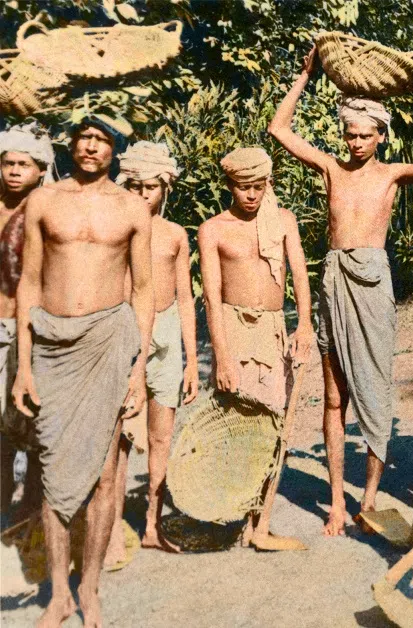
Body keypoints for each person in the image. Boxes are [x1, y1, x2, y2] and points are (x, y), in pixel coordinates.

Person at [268, 46, 413, 536]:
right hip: (334, 280)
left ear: (381, 136)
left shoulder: (390, 174)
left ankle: (368, 498)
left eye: (366, 135)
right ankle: (334, 501)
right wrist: (304, 76)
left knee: (373, 390)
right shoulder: (331, 168)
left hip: (372, 283)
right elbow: (279, 130)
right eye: (350, 134)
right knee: (334, 396)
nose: (356, 143)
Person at [12, 113, 153, 628]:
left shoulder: (132, 207)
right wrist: (23, 366)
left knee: (104, 475)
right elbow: (29, 283)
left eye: (101, 139)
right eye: (83, 137)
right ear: (71, 144)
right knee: (52, 469)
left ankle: (89, 588)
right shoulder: (44, 201)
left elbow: (143, 291)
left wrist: (138, 369)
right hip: (51, 346)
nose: (91, 146)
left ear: (115, 149)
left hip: (108, 345)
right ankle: (58, 596)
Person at [198, 146, 314, 551]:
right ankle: (232, 518)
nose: (251, 195)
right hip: (233, 329)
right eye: (243, 186)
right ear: (229, 185)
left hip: (273, 329)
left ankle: (261, 523)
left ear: (268, 184)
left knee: (275, 425)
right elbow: (212, 297)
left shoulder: (283, 221)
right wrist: (222, 357)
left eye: (258, 186)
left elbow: (300, 274)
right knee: (236, 423)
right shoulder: (213, 229)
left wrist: (304, 324)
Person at [103, 141, 199, 568]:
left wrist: (192, 360)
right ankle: (108, 531)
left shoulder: (175, 234)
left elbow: (185, 298)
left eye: (151, 187)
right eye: (135, 186)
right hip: (127, 331)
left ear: (165, 188)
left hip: (168, 332)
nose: (143, 194)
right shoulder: (115, 230)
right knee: (121, 437)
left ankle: (152, 525)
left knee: (162, 434)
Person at [0, 122, 55, 525]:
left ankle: (31, 510)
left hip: (33, 330)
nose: (15, 171)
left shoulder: (48, 212)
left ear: (40, 170)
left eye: (24, 164)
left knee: (33, 422)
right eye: (8, 163)